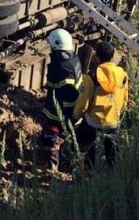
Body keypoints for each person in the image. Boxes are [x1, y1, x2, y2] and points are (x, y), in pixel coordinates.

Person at [72, 41, 128, 168]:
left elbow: (83, 103)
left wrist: (75, 116)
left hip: (93, 121)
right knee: (112, 151)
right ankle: (112, 172)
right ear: (113, 55)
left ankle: (85, 169)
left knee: (80, 145)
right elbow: (124, 99)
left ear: (97, 56)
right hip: (113, 121)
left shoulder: (91, 77)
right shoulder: (123, 75)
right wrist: (119, 115)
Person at [39, 29, 82, 171]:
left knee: (50, 137)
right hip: (69, 109)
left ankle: (51, 166)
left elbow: (68, 94)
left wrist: (64, 116)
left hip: (58, 112)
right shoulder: (73, 59)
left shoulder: (61, 67)